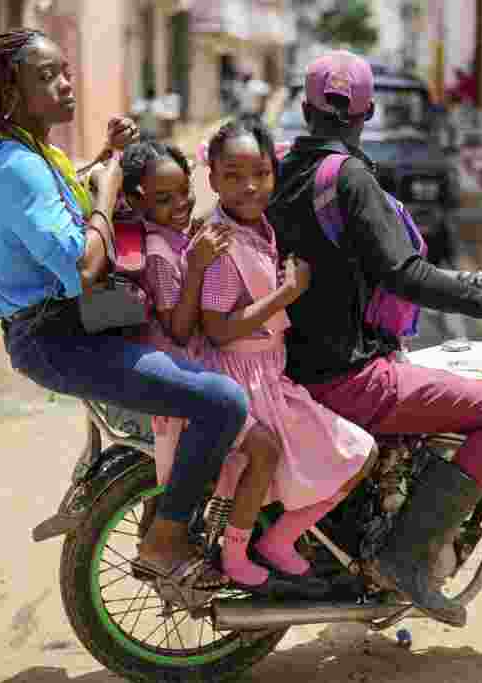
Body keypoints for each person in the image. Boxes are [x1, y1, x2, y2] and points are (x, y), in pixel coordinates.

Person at [0, 28, 248, 588]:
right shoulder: (17, 167)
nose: (65, 84)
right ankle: (165, 539)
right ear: (10, 94)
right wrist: (109, 192)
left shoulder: (35, 153)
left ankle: (170, 505)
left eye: (65, 71)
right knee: (222, 402)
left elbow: (69, 208)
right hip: (60, 336)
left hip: (81, 320)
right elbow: (82, 264)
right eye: (46, 76)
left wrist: (107, 161)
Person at [267, 51, 482, 627]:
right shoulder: (349, 177)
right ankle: (407, 556)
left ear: (303, 110)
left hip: (285, 364)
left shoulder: (278, 170)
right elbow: (407, 274)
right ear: (366, 112)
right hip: (344, 376)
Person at [113, 138, 325, 596]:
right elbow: (180, 329)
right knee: (264, 449)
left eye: (183, 193)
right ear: (136, 201)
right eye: (163, 199)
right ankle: (234, 553)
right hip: (188, 374)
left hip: (196, 368)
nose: (180, 205)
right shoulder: (161, 253)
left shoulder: (176, 237)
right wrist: (197, 267)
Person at [197, 118, 378, 584]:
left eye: (259, 173)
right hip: (242, 379)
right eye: (233, 176)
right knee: (353, 453)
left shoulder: (260, 228)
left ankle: (278, 539)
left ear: (274, 173)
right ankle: (241, 552)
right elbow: (218, 331)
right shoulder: (219, 244)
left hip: (268, 372)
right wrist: (286, 296)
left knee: (356, 455)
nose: (249, 186)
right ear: (212, 178)